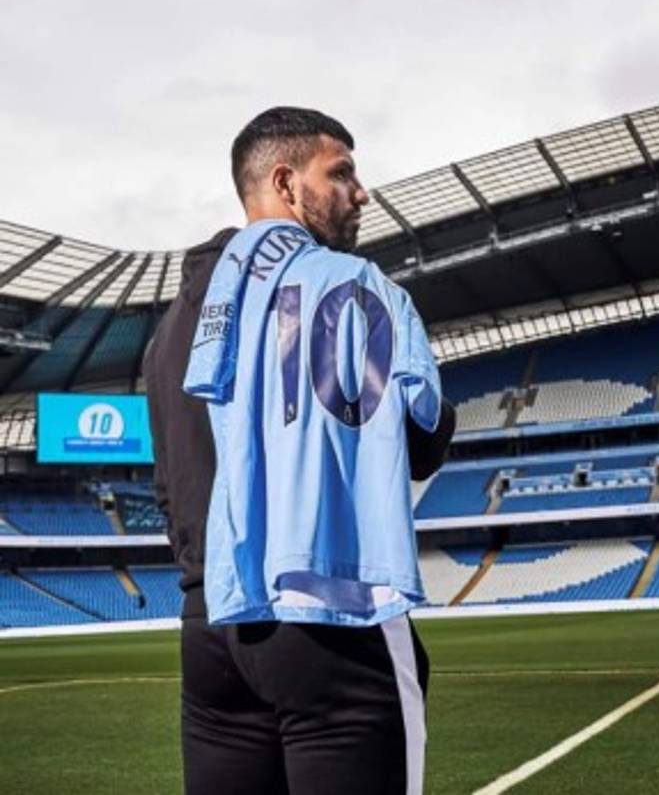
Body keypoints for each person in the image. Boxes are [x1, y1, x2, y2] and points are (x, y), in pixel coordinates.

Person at [143, 107, 455, 795]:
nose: (361, 191)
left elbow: (169, 479)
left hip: (210, 629)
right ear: (285, 184)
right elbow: (423, 442)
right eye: (341, 172)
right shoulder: (359, 288)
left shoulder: (169, 329)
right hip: (328, 612)